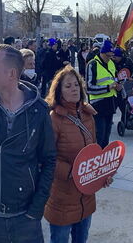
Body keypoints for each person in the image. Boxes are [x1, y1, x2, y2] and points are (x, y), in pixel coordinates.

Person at [0, 44, 56, 242]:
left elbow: (49, 160)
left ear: (11, 73)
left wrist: (36, 209)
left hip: (26, 216)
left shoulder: (39, 110)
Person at [44, 66, 101, 243]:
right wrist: (71, 172)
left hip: (86, 195)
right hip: (63, 197)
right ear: (59, 91)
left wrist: (102, 173)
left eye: (76, 84)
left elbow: (94, 149)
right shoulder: (54, 119)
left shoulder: (88, 115)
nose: (74, 89)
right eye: (68, 86)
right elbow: (46, 158)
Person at [84, 41, 120, 148]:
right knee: (99, 136)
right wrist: (108, 88)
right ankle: (96, 157)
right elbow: (89, 88)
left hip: (110, 104)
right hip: (97, 105)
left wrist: (118, 86)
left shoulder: (111, 63)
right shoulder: (92, 65)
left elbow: (113, 79)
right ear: (103, 53)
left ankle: (103, 158)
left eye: (111, 56)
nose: (110, 58)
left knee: (106, 137)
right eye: (108, 56)